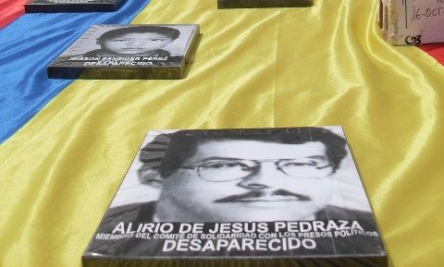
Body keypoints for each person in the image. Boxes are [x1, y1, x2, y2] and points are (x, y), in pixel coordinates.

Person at [87, 129, 383, 258]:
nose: (264, 182)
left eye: (301, 164)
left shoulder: (363, 233)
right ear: (154, 177)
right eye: (227, 165)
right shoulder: (111, 238)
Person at [83, 25, 182, 61]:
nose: (135, 45)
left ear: (171, 41)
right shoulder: (78, 59)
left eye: (154, 40)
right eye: (121, 40)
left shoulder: (173, 60)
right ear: (98, 41)